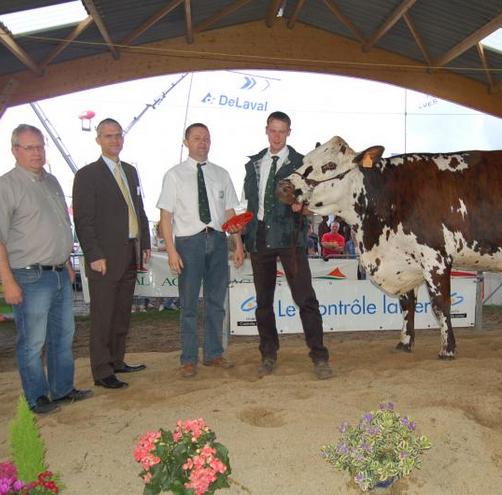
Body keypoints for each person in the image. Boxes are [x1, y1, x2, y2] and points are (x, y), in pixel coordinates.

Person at [0, 124, 92, 414]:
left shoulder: (52, 181)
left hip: (59, 272)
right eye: (30, 147)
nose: (37, 152)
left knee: (63, 336)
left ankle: (62, 389)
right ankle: (37, 397)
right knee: (33, 341)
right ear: (15, 150)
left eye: (40, 146)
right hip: (29, 275)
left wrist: (67, 264)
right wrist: (7, 281)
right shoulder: (4, 186)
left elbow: (58, 227)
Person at [241, 111, 333, 380]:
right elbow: (251, 204)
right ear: (266, 130)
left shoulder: (301, 163)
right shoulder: (254, 164)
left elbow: (315, 204)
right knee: (263, 302)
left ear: (289, 132)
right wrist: (241, 232)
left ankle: (319, 356)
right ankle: (268, 354)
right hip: (260, 239)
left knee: (306, 299)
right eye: (273, 130)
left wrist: (302, 206)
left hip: (291, 241)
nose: (277, 136)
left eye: (282, 131)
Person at [157, 123, 243, 378]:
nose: (202, 142)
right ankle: (188, 358)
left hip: (217, 241)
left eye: (206, 138)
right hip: (188, 243)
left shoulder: (222, 174)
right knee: (189, 304)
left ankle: (214, 353)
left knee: (216, 302)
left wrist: (238, 243)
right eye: (196, 138)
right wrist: (171, 250)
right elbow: (165, 216)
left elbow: (230, 213)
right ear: (186, 142)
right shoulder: (173, 175)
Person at [73, 118, 151, 390]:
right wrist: (94, 253)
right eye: (108, 136)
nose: (114, 140)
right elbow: (83, 220)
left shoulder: (130, 171)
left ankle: (117, 360)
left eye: (118, 135)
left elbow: (138, 210)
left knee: (121, 314)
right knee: (103, 315)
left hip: (130, 252)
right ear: (98, 140)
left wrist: (145, 244)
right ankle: (102, 370)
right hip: (103, 258)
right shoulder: (87, 175)